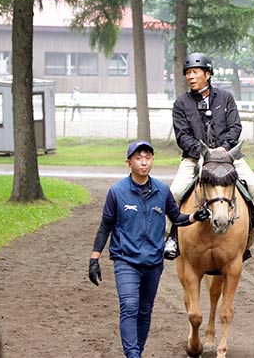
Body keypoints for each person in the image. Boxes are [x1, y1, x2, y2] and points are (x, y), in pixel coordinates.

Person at [88, 140, 210, 358]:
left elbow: (176, 218)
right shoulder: (116, 192)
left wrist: (193, 217)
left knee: (144, 312)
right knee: (129, 305)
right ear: (129, 162)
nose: (143, 162)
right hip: (126, 260)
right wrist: (94, 259)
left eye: (147, 157)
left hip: (154, 262)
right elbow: (105, 226)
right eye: (138, 158)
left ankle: (137, 352)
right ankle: (133, 355)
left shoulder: (162, 191)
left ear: (152, 160)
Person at [164, 52, 254, 260]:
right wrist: (202, 153)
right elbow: (182, 136)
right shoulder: (181, 104)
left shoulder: (226, 98)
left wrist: (224, 149)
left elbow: (235, 127)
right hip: (194, 159)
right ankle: (171, 237)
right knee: (174, 192)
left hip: (228, 156)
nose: (190, 77)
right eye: (188, 73)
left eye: (195, 72)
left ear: (207, 74)